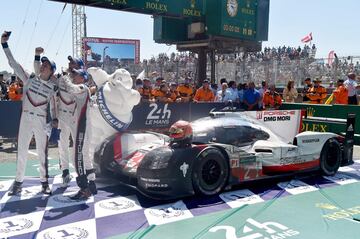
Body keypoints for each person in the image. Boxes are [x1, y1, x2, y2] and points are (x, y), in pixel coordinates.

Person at [2, 31, 57, 195]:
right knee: (22, 151)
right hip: (25, 119)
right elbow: (13, 63)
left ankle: (44, 183)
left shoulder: (53, 88)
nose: (43, 66)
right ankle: (18, 183)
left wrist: (54, 119)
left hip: (41, 121)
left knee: (42, 152)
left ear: (51, 71)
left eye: (46, 66)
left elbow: (54, 106)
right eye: (43, 64)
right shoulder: (29, 78)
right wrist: (4, 44)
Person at [60, 69, 96, 200]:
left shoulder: (82, 87)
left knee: (77, 158)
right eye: (73, 74)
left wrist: (64, 77)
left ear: (83, 78)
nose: (73, 76)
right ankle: (90, 186)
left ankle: (84, 189)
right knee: (80, 156)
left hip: (82, 128)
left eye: (76, 74)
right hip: (81, 127)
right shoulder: (83, 88)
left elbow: (70, 88)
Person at [55, 56, 86, 188]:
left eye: (73, 62)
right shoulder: (62, 77)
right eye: (69, 62)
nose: (70, 64)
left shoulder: (82, 81)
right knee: (62, 144)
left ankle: (81, 172)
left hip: (75, 117)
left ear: (78, 66)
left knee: (78, 146)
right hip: (61, 116)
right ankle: (65, 173)